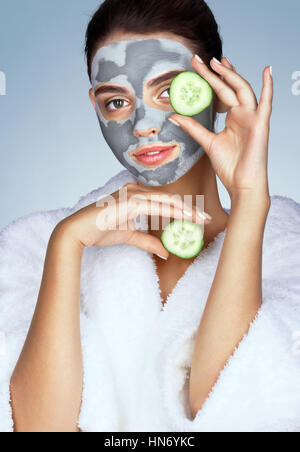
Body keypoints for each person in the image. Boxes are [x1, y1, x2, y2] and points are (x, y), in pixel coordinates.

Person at [0, 0, 300, 433]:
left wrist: (251, 201)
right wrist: (65, 245)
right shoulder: (32, 248)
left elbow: (237, 406)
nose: (142, 124)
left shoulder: (288, 249)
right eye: (117, 101)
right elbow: (39, 426)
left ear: (217, 90)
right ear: (96, 105)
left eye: (168, 91)